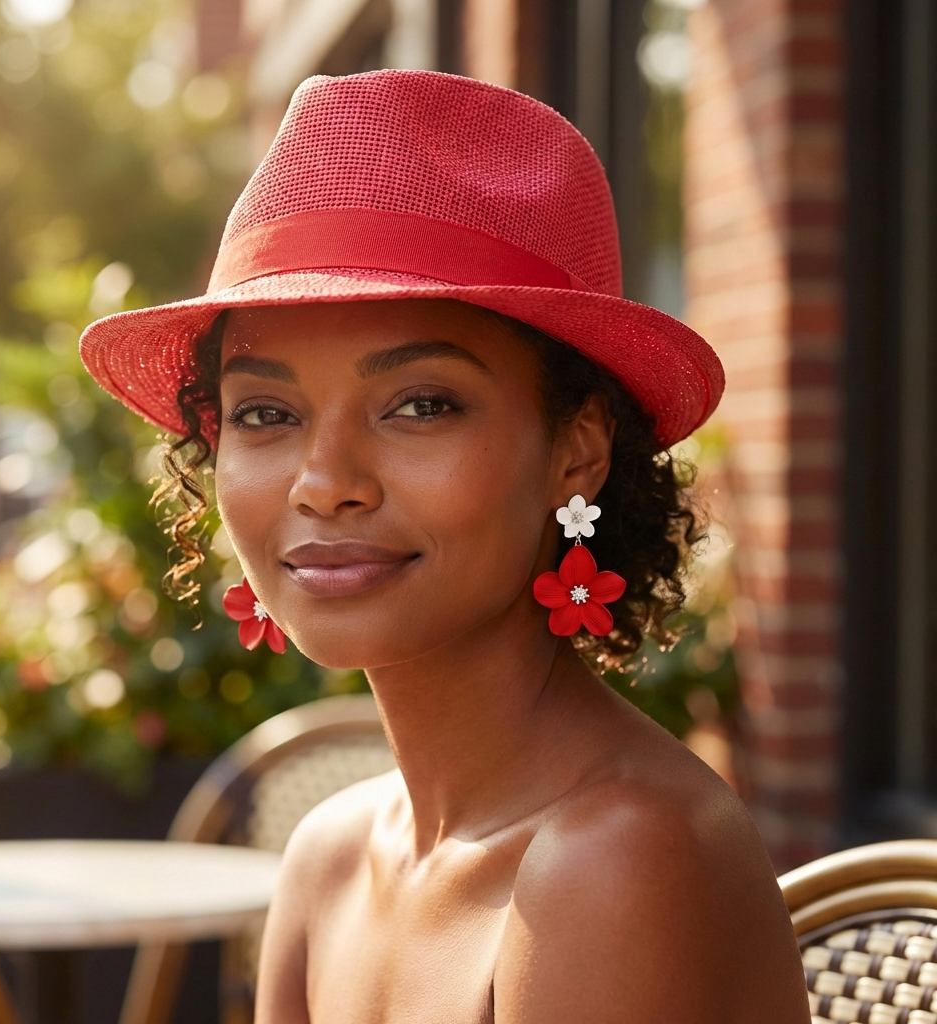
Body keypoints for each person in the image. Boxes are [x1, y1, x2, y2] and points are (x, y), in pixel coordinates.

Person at [82, 70, 809, 1023]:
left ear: (574, 452)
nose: (324, 477)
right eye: (265, 412)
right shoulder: (327, 859)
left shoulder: (614, 858)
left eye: (421, 404)